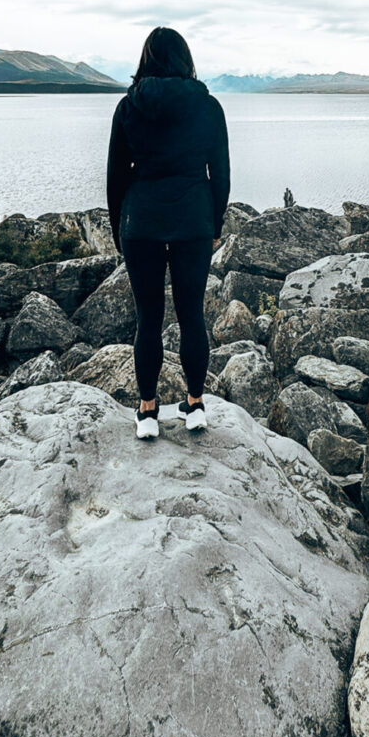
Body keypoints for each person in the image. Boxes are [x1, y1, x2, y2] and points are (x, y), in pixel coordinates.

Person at [107, 27, 230, 439]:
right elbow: (221, 174)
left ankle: (146, 413)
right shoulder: (209, 107)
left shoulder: (128, 108)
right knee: (192, 316)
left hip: (141, 224)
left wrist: (116, 227)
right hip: (193, 221)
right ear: (185, 59)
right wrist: (215, 223)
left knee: (148, 320)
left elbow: (115, 177)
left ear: (146, 60)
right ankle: (195, 406)